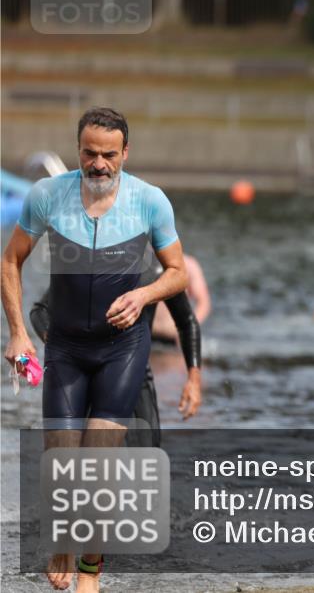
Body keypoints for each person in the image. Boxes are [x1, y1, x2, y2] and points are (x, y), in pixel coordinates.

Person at [1, 107, 188, 593]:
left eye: (109, 154)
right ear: (77, 149)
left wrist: (143, 295)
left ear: (125, 153)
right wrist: (18, 333)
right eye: (89, 153)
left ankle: (90, 579)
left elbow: (178, 273)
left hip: (122, 351)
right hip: (64, 348)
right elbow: (10, 262)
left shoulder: (150, 201)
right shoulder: (48, 196)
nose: (98, 163)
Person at [30, 261, 203, 448]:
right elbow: (40, 310)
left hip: (137, 376)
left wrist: (193, 379)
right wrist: (61, 346)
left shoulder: (158, 270)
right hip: (85, 375)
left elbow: (187, 322)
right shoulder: (93, 261)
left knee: (146, 463)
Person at [151, 253, 210, 342]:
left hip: (174, 337)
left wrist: (189, 330)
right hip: (146, 336)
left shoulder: (189, 265)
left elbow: (204, 303)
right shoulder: (144, 264)